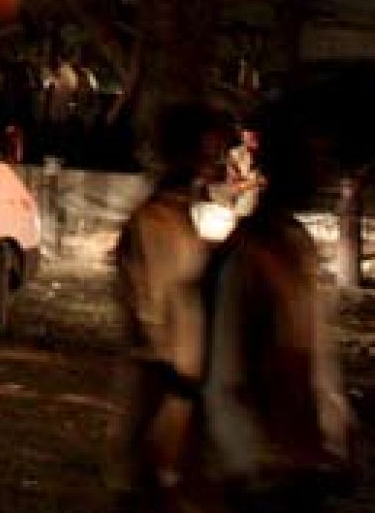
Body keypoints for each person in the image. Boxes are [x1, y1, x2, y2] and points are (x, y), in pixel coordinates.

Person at [200, 106, 351, 511]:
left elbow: (315, 357)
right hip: (265, 470)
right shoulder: (249, 255)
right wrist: (246, 463)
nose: (322, 174)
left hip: (296, 460)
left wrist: (333, 435)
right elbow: (224, 372)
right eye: (311, 162)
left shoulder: (294, 244)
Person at [111, 101, 234, 510]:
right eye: (205, 153)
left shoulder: (185, 220)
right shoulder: (153, 224)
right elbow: (146, 314)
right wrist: (176, 380)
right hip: (161, 387)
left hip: (182, 387)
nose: (211, 163)